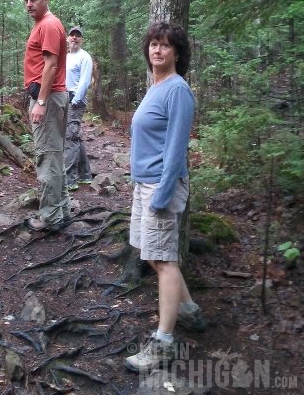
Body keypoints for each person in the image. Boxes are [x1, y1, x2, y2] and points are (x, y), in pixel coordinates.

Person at [125, 20, 206, 374]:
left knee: (165, 261)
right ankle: (189, 313)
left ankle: (163, 343)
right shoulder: (155, 86)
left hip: (161, 185)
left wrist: (162, 193)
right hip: (145, 184)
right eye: (153, 44)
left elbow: (175, 150)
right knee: (156, 258)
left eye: (165, 45)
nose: (157, 50)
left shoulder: (177, 90)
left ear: (177, 53)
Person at [22, 0, 70, 232]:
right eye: (26, 0)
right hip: (50, 97)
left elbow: (51, 66)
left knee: (47, 156)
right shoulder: (43, 25)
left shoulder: (49, 25)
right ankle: (61, 210)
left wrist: (40, 101)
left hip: (48, 99)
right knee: (54, 155)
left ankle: (51, 218)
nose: (29, 4)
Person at [65, 26, 93, 191]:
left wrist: (76, 100)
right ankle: (85, 175)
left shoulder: (85, 57)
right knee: (74, 136)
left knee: (70, 137)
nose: (74, 38)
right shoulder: (67, 56)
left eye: (78, 36)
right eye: (72, 35)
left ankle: (70, 180)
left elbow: (85, 81)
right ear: (68, 38)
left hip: (76, 100)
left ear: (81, 39)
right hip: (65, 98)